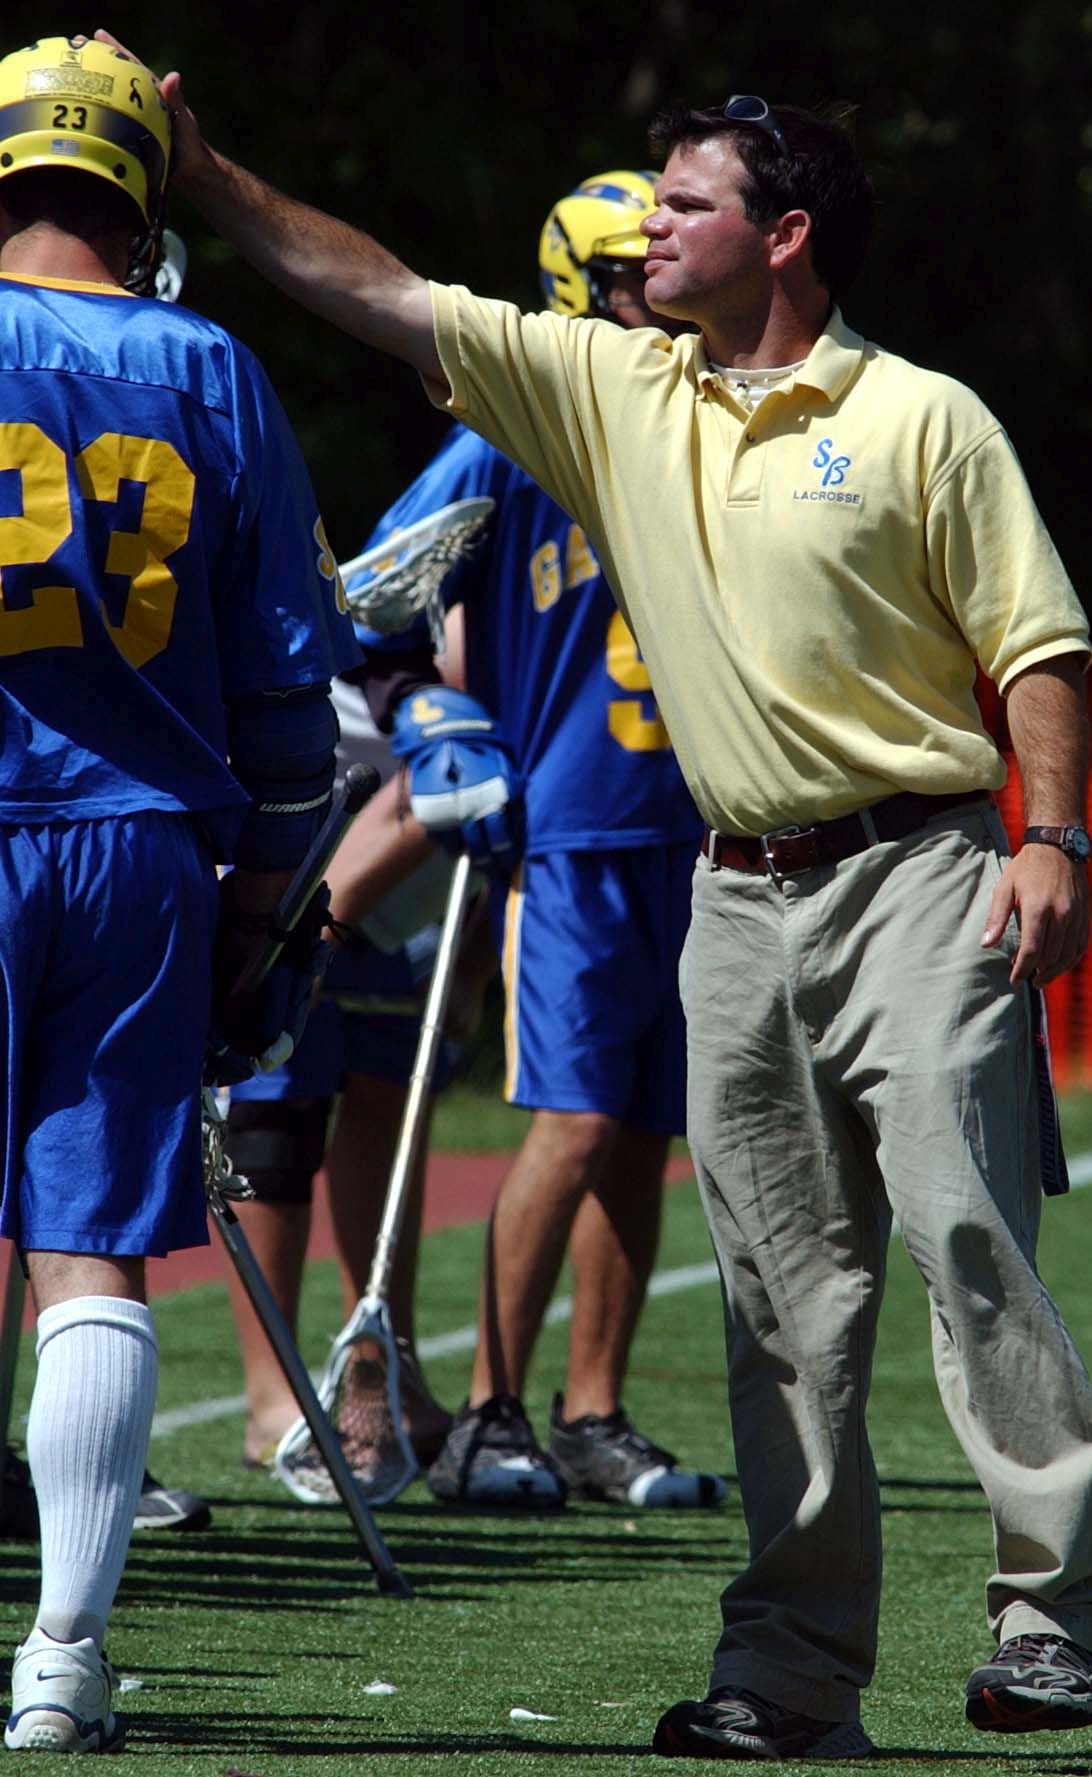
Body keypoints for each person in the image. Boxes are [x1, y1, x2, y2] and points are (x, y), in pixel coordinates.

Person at [138, 51, 1092, 1756]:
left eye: (682, 205)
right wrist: (207, 177)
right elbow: (378, 293)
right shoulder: (615, 386)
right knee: (776, 1301)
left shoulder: (923, 415)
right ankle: (792, 1673)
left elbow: (1034, 641)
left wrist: (1054, 841)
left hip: (923, 873)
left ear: (785, 236)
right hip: (729, 901)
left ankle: (1054, 1626)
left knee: (968, 1237)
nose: (644, 230)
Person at [0, 34, 359, 1753]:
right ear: (142, 195)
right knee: (94, 1251)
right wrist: (259, 917)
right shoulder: (211, 366)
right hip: (142, 848)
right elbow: (291, 698)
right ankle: (63, 1657)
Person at [348, 170, 721, 1513]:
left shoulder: (710, 419)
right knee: (572, 1118)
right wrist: (426, 706)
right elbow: (370, 597)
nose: (657, 297)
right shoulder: (509, 435)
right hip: (569, 827)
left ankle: (592, 1413)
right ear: (579, 288)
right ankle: (488, 1410)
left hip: (697, 827)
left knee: (645, 1128)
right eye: (629, 277)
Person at [223, 673, 504, 1477]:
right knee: (274, 1112)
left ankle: (378, 1371)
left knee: (390, 1100)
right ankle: (271, 1394)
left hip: (416, 862)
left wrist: (474, 958)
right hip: (302, 816)